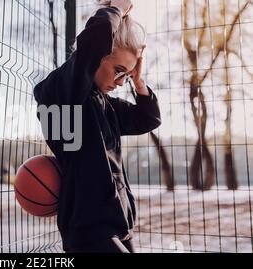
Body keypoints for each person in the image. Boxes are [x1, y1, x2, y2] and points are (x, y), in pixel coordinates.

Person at [33, 0, 161, 253]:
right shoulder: (62, 92)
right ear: (98, 56)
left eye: (126, 75)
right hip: (88, 230)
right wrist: (117, 9)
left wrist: (138, 81)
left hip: (120, 225)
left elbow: (149, 118)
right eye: (118, 71)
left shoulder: (106, 105)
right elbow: (93, 42)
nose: (120, 81)